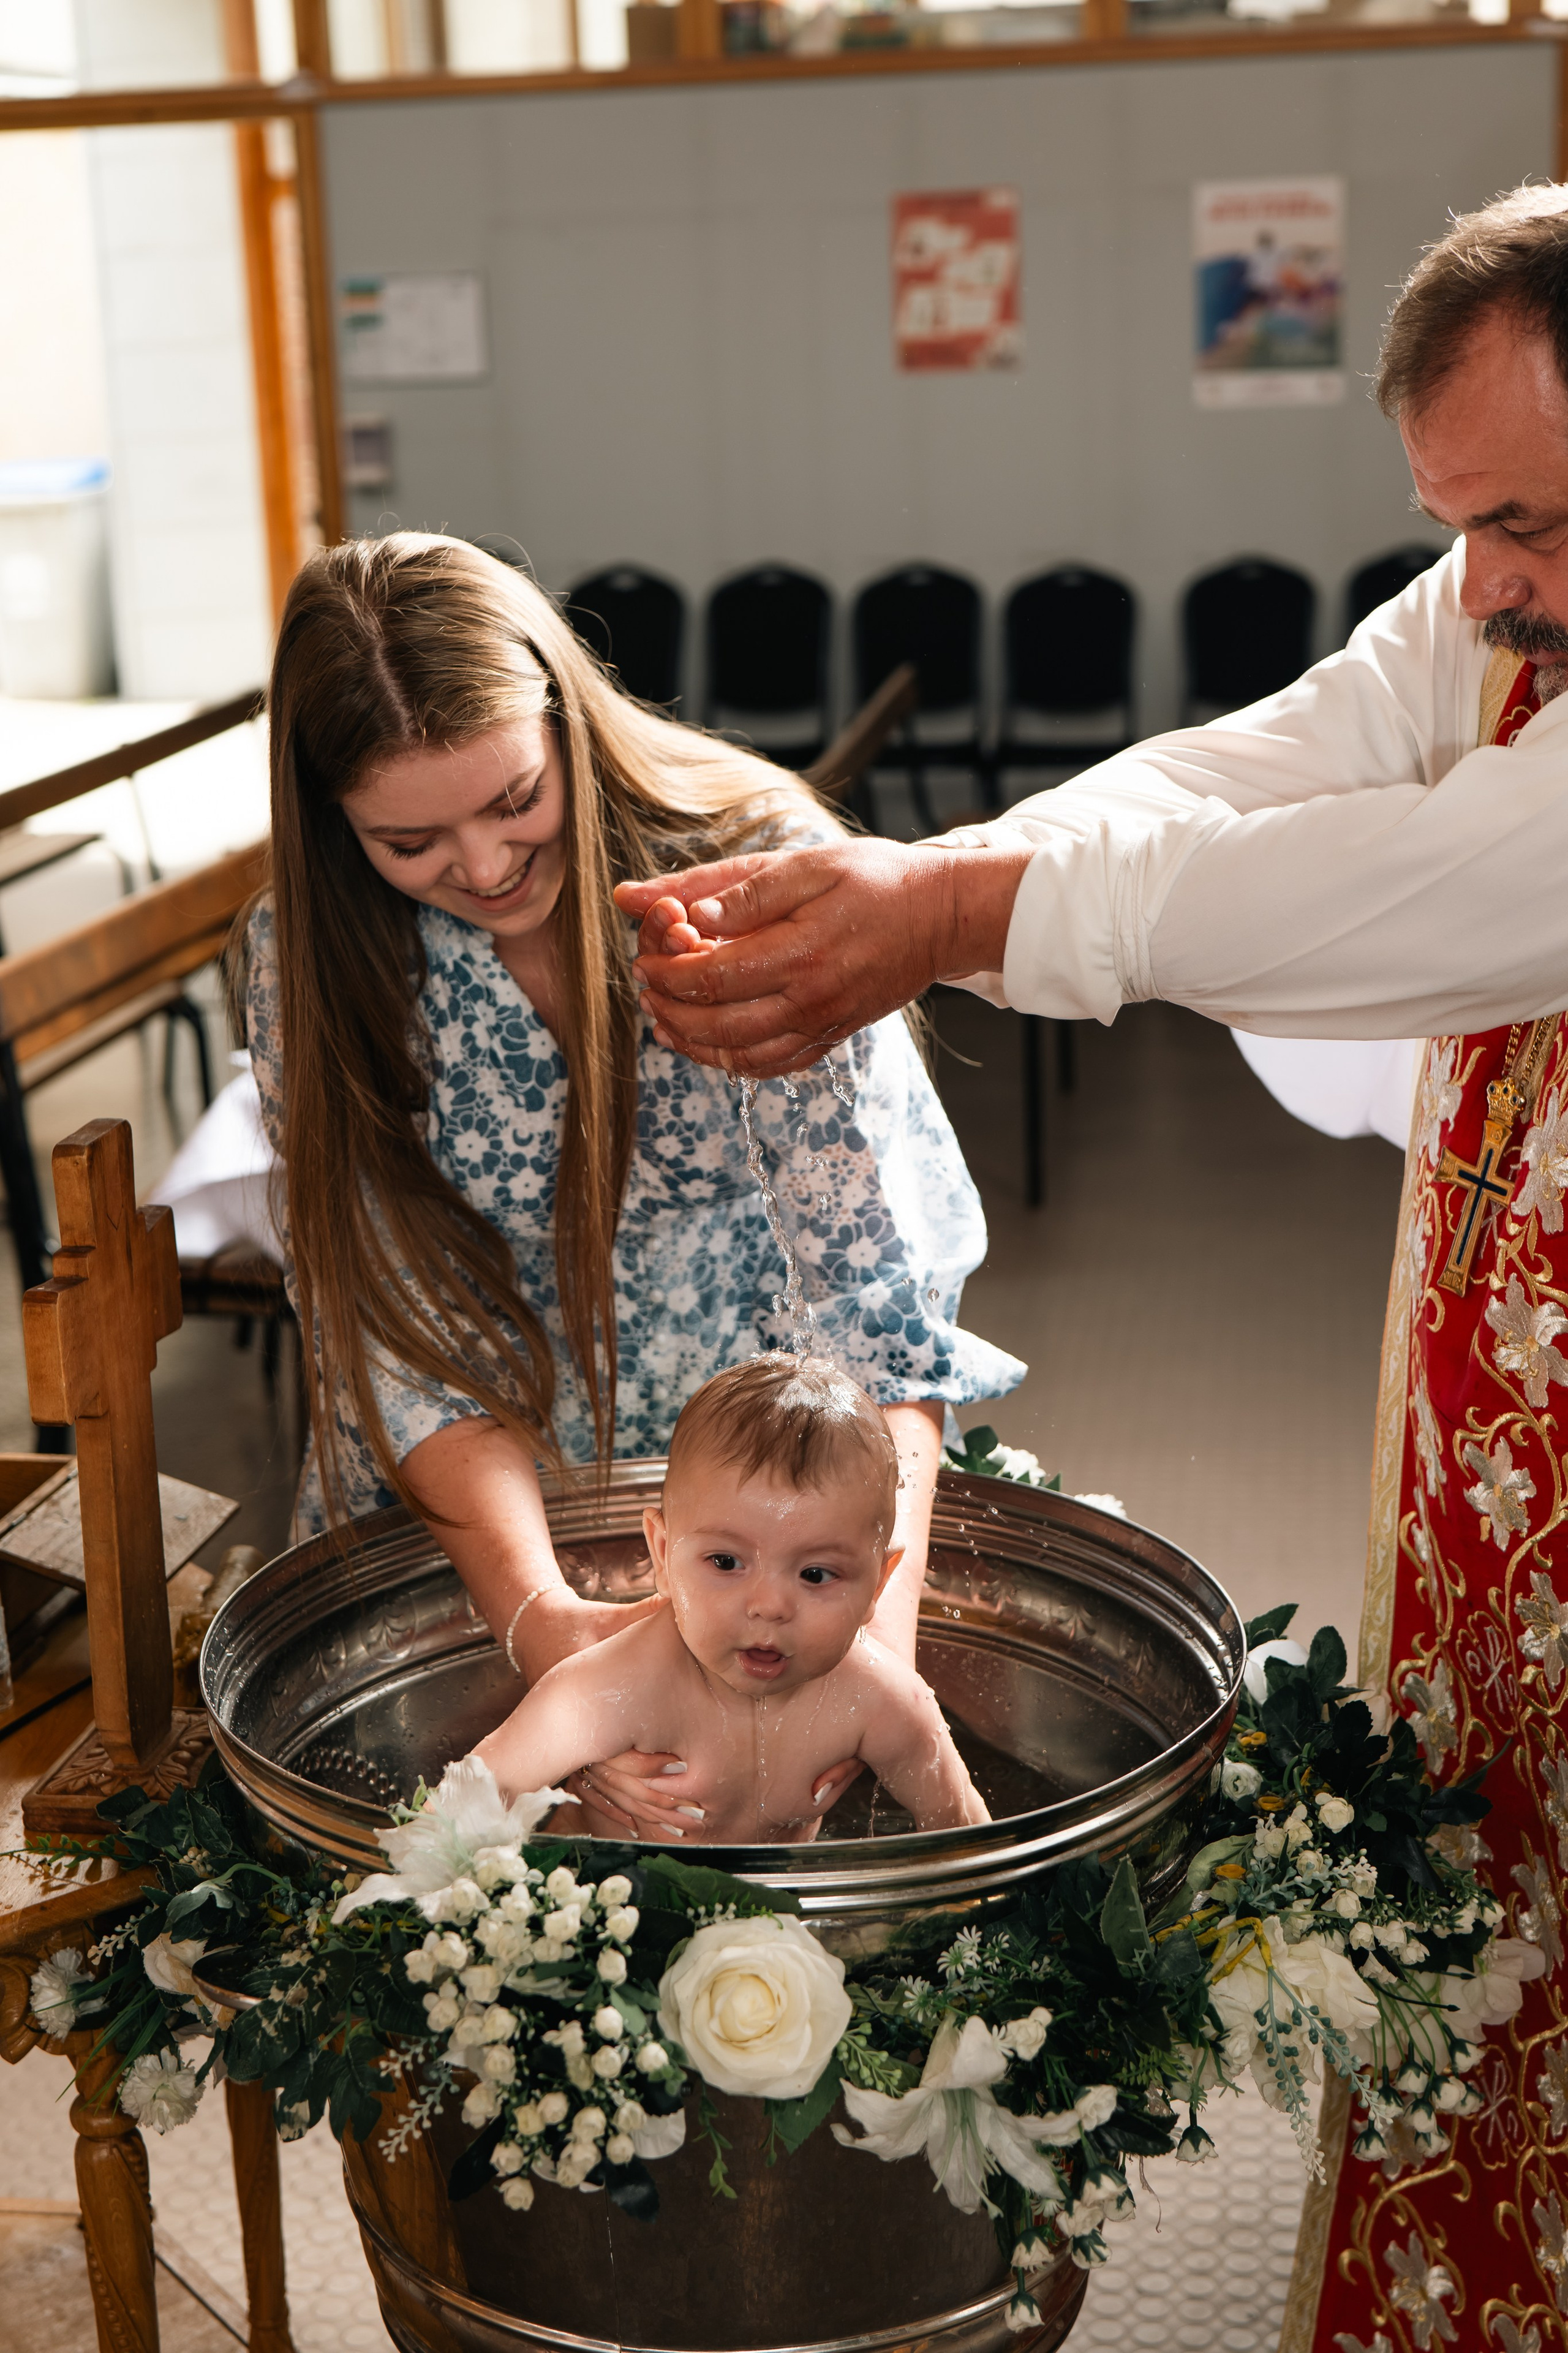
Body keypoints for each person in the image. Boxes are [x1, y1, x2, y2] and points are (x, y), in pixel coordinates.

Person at [616, 186, 1568, 2352]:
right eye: (1458, 524)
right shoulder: (1518, 604)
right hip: (1502, 1390)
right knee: (1509, 1869)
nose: (1486, 584)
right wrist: (949, 868)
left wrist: (956, 925)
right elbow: (1286, 757)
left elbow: (1413, 889)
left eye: (1526, 519)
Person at [248, 532, 1021, 1840]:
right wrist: (547, 1627)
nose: (486, 868)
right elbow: (395, 1332)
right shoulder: (314, 956)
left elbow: (871, 1307)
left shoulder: (745, 863)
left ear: (565, 717)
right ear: (333, 823)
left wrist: (854, 1653)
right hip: (480, 1505)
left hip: (776, 1495)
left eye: (514, 800)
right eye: (409, 839)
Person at [475, 1353, 988, 1842]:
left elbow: (968, 1837)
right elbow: (468, 1800)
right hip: (608, 1902)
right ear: (661, 1553)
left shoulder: (880, 1699)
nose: (769, 1605)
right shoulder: (612, 1686)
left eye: (815, 1574)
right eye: (725, 1562)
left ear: (877, 1584)